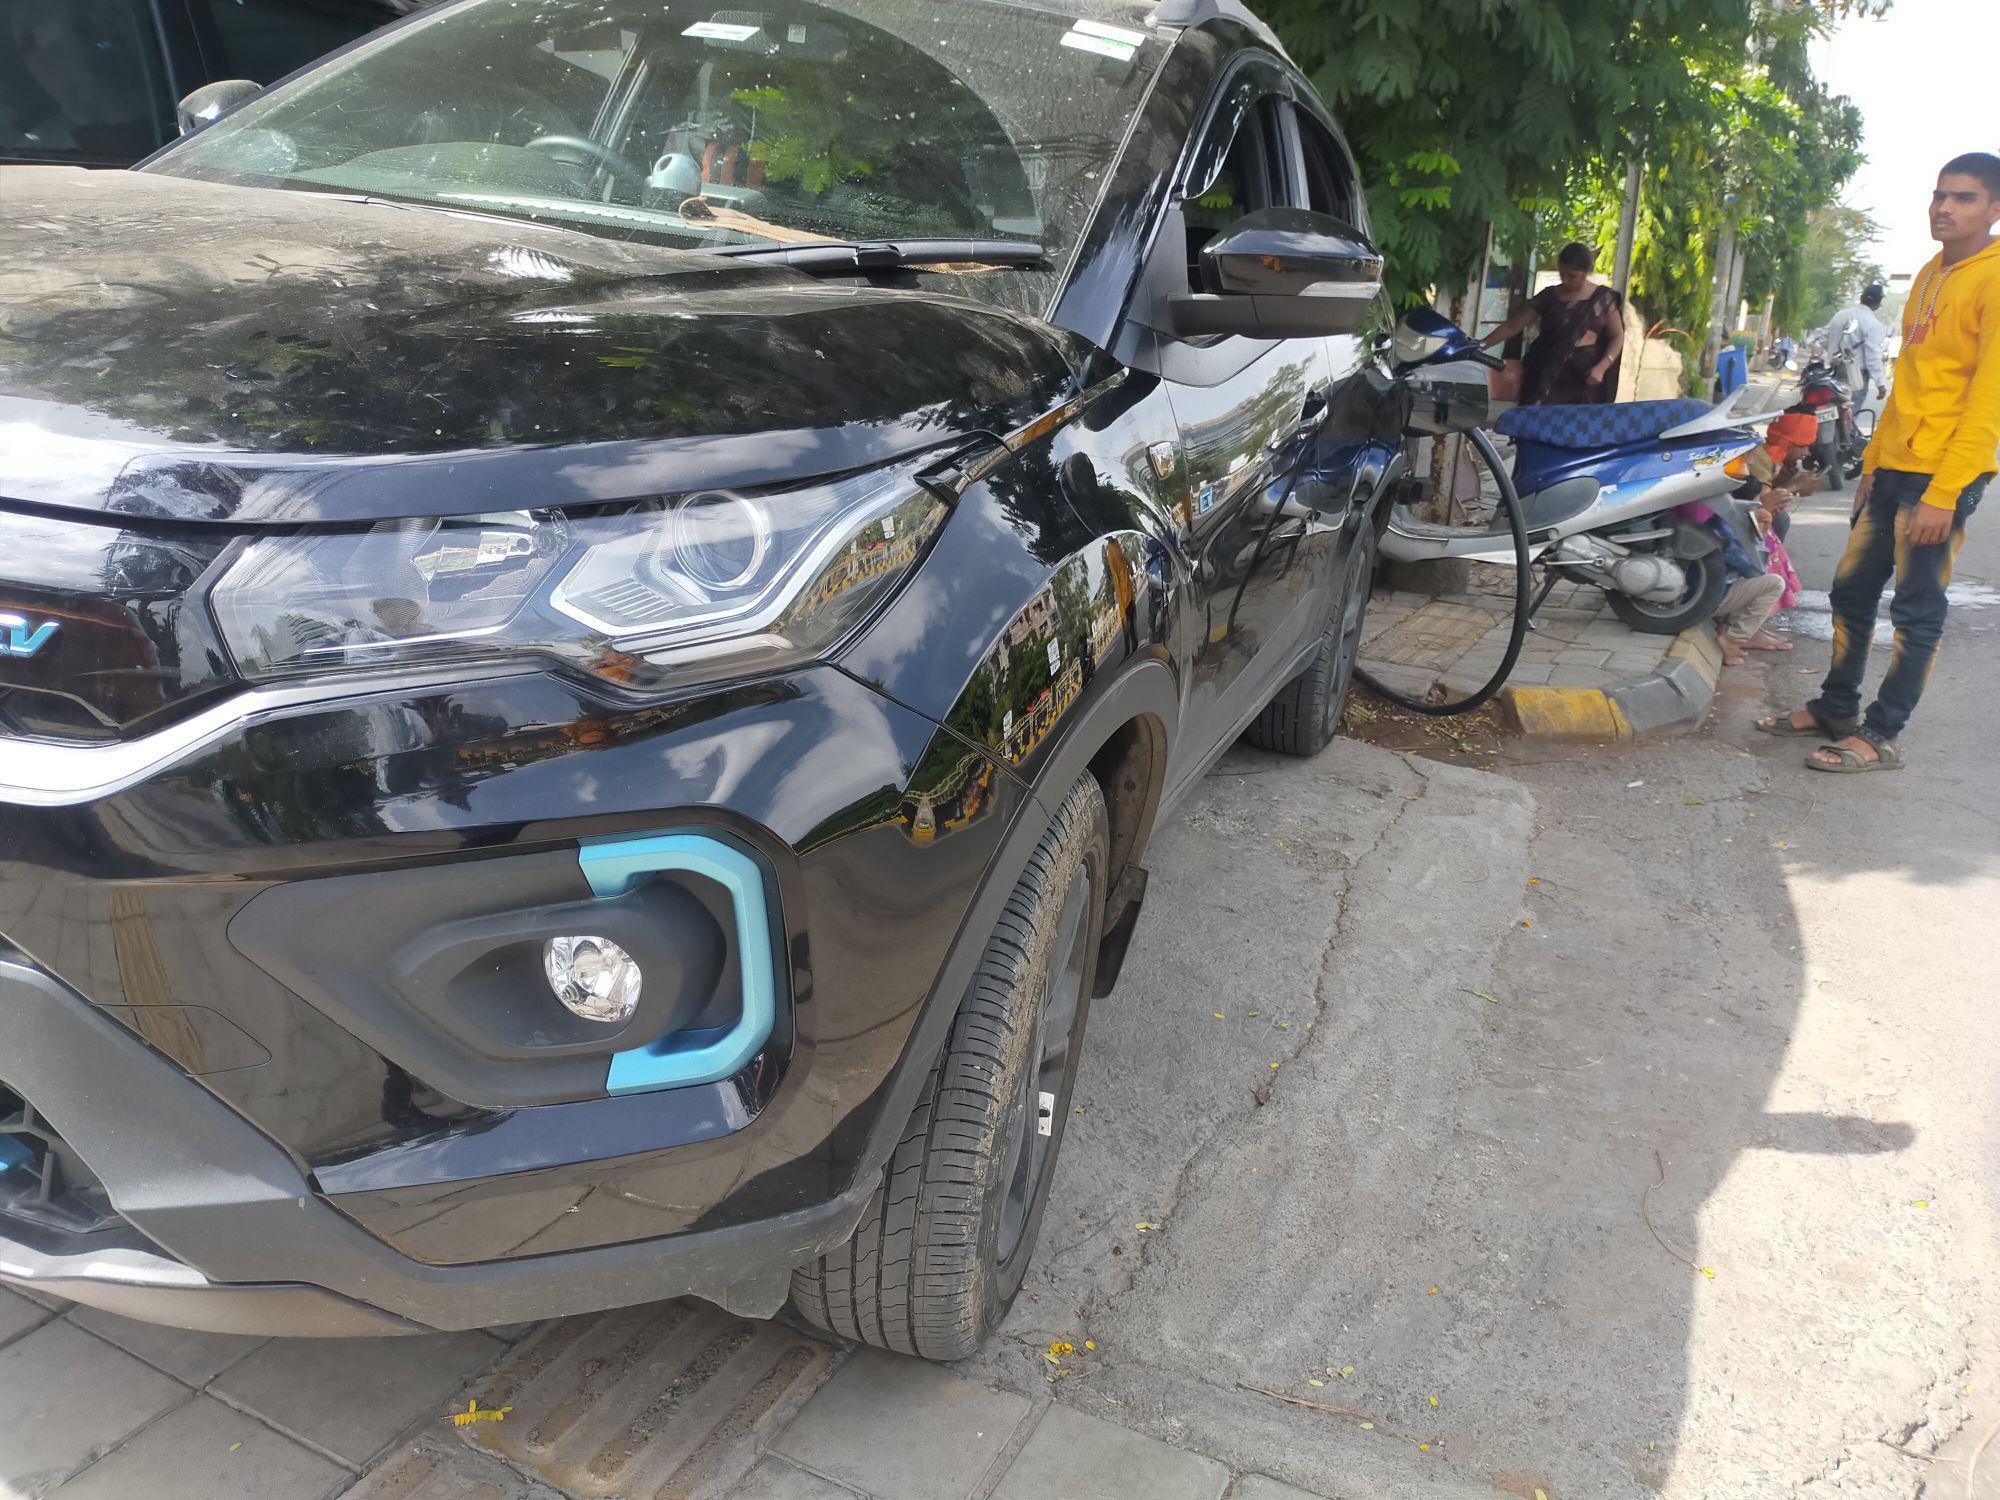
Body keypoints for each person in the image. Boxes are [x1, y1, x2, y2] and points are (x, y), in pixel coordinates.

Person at [1759, 151, 2000, 773]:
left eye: (1964, 198)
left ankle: (1881, 734)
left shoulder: (1994, 280)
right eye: (1940, 194)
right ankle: (1836, 707)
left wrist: (1944, 492)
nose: (1944, 207)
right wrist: (1871, 466)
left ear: (1994, 210)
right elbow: (1909, 383)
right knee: (1851, 591)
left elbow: (1987, 401)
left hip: (1941, 474)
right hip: (1892, 466)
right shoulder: (1928, 273)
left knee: (1916, 610)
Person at [1480, 243, 1625, 405]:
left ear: (1585, 273)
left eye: (1571, 276)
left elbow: (1617, 336)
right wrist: (1480, 345)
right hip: (1544, 375)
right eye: (1562, 274)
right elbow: (1513, 326)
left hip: (1582, 380)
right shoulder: (1548, 296)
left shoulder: (1603, 299)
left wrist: (1602, 366)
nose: (1565, 280)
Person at [1822, 283, 1890, 404]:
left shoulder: (1840, 315)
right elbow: (1873, 357)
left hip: (1835, 370)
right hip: (1857, 375)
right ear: (1878, 304)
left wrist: (1836, 352)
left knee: (1832, 406)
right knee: (1850, 411)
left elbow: (1823, 338)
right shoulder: (1873, 324)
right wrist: (1880, 384)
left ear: (1861, 298)